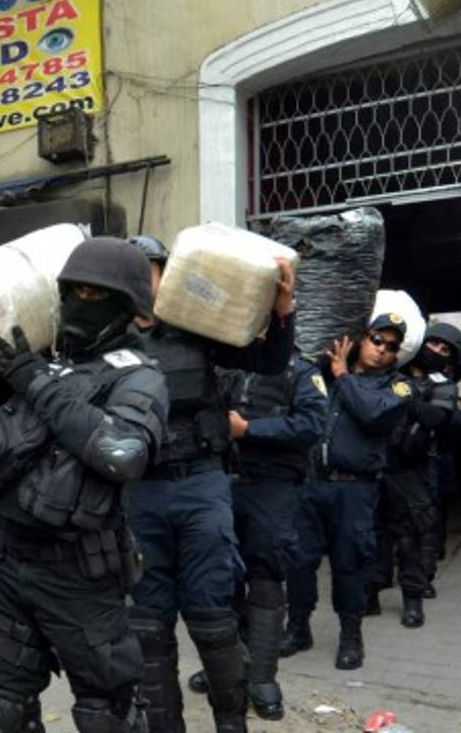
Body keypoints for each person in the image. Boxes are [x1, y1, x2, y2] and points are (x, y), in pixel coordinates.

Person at [0, 236, 168, 733]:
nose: (78, 302)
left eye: (94, 295)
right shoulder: (39, 361)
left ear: (128, 307)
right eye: (71, 290)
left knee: (106, 715)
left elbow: (121, 454)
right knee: (3, 709)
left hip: (79, 575)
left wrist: (34, 380)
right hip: (7, 562)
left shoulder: (139, 377)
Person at [125, 234, 295, 733]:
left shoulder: (196, 327)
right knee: (149, 624)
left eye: (150, 269)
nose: (142, 281)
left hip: (201, 483)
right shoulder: (106, 342)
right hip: (140, 494)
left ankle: (230, 723)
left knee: (211, 613)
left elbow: (269, 361)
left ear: (166, 274)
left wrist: (283, 311)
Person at [187, 353, 326, 721]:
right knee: (222, 578)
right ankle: (226, 669)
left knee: (265, 576)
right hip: (221, 482)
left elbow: (313, 424)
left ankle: (262, 677)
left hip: (273, 486)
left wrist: (249, 430)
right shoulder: (223, 365)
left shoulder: (300, 371)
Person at [282, 314, 415, 671]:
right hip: (310, 483)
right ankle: (297, 628)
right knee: (298, 560)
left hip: (354, 490)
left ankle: (350, 637)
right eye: (376, 339)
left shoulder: (399, 387)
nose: (381, 350)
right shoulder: (323, 373)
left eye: (391, 346)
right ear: (362, 338)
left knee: (349, 564)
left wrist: (342, 375)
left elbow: (373, 415)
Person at [365, 322, 461, 629]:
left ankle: (413, 599)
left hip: (411, 468)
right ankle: (370, 594)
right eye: (433, 343)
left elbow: (436, 416)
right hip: (374, 464)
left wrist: (407, 396)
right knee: (370, 535)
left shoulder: (442, 385)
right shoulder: (387, 371)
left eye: (444, 350)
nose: (436, 351)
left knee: (410, 537)